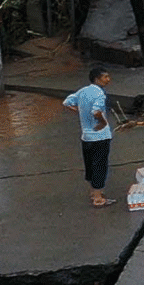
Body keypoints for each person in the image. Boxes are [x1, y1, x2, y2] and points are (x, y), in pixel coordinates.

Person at [63, 64, 115, 207]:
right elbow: (96, 111)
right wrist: (101, 123)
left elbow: (67, 102)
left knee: (91, 165)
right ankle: (98, 198)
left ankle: (93, 192)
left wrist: (80, 111)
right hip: (100, 137)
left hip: (86, 137)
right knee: (100, 166)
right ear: (97, 79)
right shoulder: (100, 94)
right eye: (105, 77)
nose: (108, 79)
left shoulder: (82, 91)